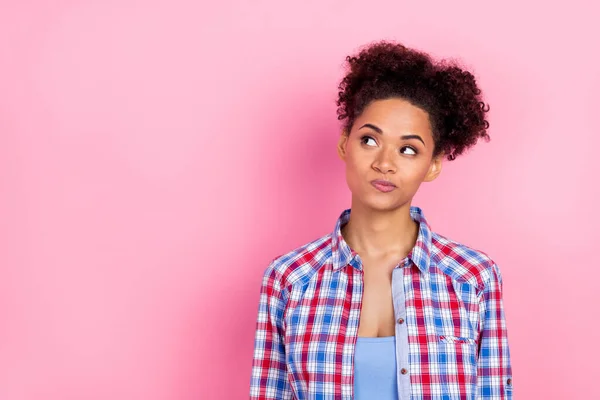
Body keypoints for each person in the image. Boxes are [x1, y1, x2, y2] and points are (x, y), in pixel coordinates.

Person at [249, 40, 512, 400]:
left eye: (408, 149)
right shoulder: (290, 279)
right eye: (370, 140)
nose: (384, 162)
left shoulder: (473, 278)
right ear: (345, 144)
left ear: (432, 164)